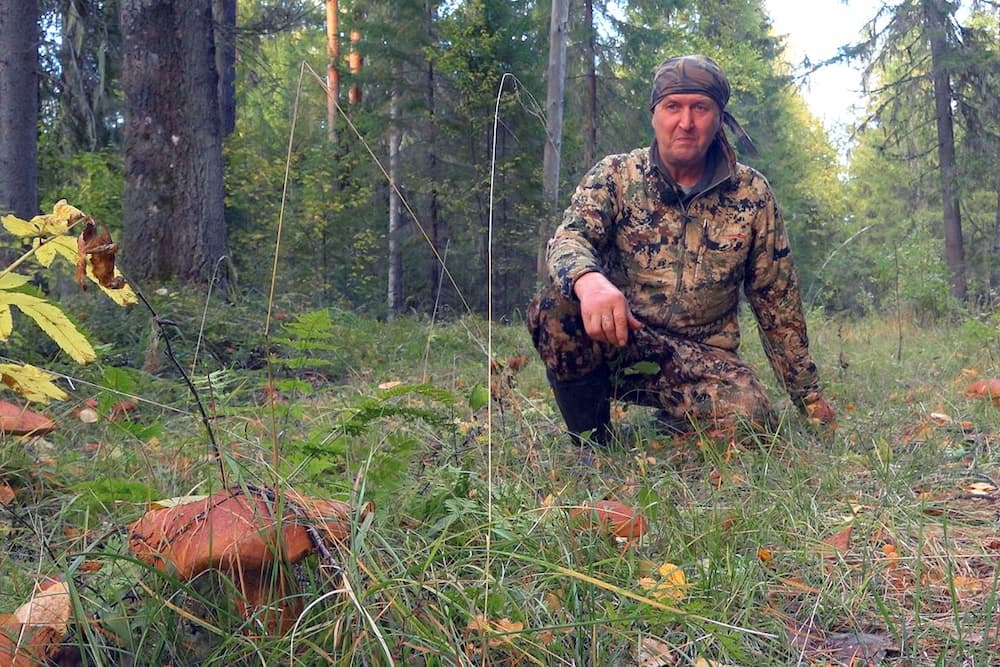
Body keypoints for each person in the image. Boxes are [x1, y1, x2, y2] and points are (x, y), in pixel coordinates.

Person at [527, 54, 835, 447]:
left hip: (701, 358)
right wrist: (590, 283)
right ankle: (592, 443)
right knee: (557, 305)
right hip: (621, 338)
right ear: (655, 114)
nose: (685, 122)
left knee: (752, 421)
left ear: (720, 118)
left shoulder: (752, 195)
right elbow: (570, 238)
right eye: (673, 106)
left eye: (700, 108)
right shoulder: (617, 176)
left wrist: (809, 399)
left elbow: (778, 303)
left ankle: (672, 419)